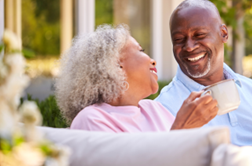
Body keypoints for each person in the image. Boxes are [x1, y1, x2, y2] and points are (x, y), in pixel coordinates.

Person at [155, 0, 252, 151]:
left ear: (223, 33)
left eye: (199, 35)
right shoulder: (165, 106)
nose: (189, 47)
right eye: (179, 39)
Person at [55, 24, 219, 132]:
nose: (152, 60)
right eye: (141, 51)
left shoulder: (155, 109)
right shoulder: (91, 120)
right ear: (116, 65)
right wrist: (182, 129)